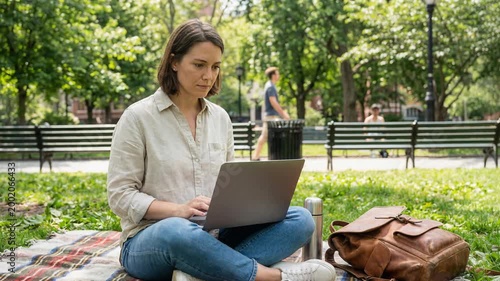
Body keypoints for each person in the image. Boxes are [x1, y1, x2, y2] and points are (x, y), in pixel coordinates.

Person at [107, 19, 337, 281]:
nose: (209, 76)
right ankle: (274, 277)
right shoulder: (137, 117)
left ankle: (199, 272)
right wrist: (178, 210)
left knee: (301, 219)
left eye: (215, 67)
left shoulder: (220, 118)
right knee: (176, 231)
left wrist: (249, 205)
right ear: (173, 62)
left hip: (214, 233)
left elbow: (229, 184)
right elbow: (120, 196)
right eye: (199, 65)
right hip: (153, 240)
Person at [252, 67, 290, 161]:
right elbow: (273, 102)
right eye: (277, 74)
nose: (279, 76)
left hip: (271, 115)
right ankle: (256, 156)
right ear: (273, 75)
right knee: (265, 136)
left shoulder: (270, 86)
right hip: (270, 116)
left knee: (265, 136)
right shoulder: (270, 87)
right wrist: (284, 114)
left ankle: (256, 156)